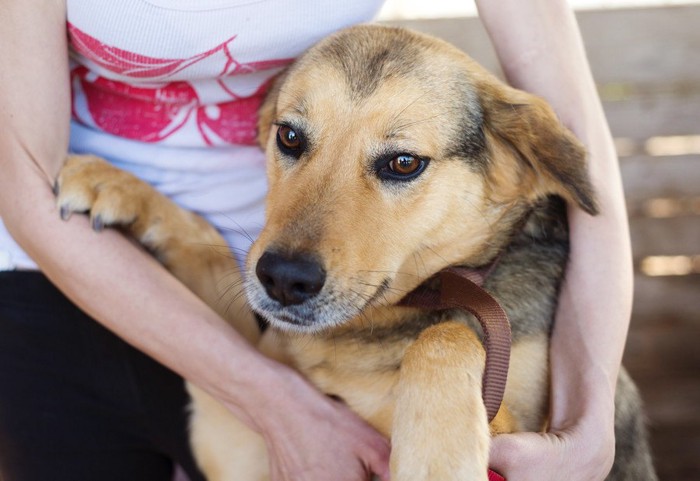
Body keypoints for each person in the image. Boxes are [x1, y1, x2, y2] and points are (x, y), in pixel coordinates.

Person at [0, 1, 632, 480]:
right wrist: (280, 405)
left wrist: (591, 415)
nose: (317, 230)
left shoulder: (509, 301)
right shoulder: (288, 283)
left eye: (399, 164)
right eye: (294, 141)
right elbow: (25, 179)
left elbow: (580, 145)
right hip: (65, 273)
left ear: (516, 168)